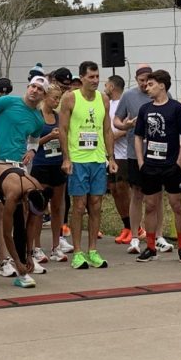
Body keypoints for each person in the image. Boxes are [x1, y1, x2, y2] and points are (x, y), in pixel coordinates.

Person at [59, 61, 115, 270]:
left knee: (96, 205)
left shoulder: (104, 99)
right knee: (79, 206)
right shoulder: (70, 98)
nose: (95, 80)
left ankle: (93, 250)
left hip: (98, 159)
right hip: (78, 160)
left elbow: (107, 130)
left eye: (97, 76)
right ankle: (77, 252)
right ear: (81, 77)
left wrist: (111, 158)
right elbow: (63, 129)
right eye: (90, 77)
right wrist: (66, 158)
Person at [133, 70, 181, 263]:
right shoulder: (145, 109)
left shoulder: (176, 108)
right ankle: (150, 246)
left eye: (151, 84)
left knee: (176, 205)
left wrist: (179, 162)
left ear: (162, 85)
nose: (147, 88)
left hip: (171, 165)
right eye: (146, 85)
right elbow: (138, 136)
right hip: (150, 165)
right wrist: (141, 161)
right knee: (150, 205)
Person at [0, 161, 47, 289]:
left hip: (8, 179)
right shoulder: (14, 194)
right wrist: (17, 262)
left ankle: (22, 274)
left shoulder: (38, 189)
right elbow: (7, 234)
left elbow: (29, 227)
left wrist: (29, 255)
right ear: (25, 200)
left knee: (20, 225)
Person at [113, 65, 151, 254]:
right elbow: (116, 121)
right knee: (135, 192)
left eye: (147, 80)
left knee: (154, 196)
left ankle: (155, 236)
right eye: (141, 80)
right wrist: (125, 125)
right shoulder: (128, 96)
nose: (144, 84)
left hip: (154, 153)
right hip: (132, 152)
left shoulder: (159, 94)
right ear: (136, 80)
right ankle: (135, 235)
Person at [31, 83, 67, 263]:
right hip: (40, 165)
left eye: (59, 98)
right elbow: (31, 143)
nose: (57, 101)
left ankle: (56, 246)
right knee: (39, 207)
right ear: (45, 97)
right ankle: (36, 247)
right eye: (54, 98)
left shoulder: (59, 117)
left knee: (57, 207)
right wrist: (49, 137)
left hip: (57, 164)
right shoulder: (37, 117)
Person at [104, 74, 131, 241]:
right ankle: (125, 224)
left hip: (123, 154)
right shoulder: (106, 104)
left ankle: (135, 226)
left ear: (112, 87)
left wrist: (111, 137)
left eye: (106, 84)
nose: (104, 87)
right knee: (113, 190)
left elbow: (127, 127)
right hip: (109, 155)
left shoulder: (124, 104)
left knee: (122, 188)